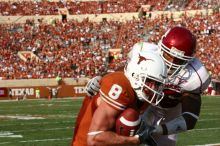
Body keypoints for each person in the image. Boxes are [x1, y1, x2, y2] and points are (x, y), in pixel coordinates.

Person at [85, 26, 211, 146]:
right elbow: (127, 71)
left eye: (178, 60)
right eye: (168, 55)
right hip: (145, 103)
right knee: (126, 126)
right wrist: (103, 78)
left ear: (188, 60)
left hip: (169, 110)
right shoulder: (145, 51)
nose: (170, 63)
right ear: (161, 47)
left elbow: (190, 118)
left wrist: (156, 130)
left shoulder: (196, 76)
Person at [71, 51, 168, 146]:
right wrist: (135, 140)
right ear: (135, 75)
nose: (153, 88)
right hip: (85, 142)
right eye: (150, 81)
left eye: (157, 84)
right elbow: (94, 139)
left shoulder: (144, 95)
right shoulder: (119, 86)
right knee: (130, 116)